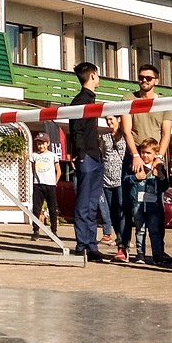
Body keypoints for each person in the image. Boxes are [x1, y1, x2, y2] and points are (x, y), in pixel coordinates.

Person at [120, 64, 172, 263]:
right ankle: (124, 247)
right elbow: (127, 130)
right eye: (141, 77)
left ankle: (159, 250)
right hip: (134, 156)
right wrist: (135, 155)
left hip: (156, 157)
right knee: (129, 205)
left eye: (148, 78)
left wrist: (159, 157)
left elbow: (166, 133)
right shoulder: (128, 99)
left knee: (156, 207)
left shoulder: (165, 103)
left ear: (156, 80)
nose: (144, 81)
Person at [67, 62, 104, 260]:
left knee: (92, 203)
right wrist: (80, 154)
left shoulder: (91, 99)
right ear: (92, 76)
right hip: (87, 157)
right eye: (97, 75)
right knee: (84, 203)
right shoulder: (80, 100)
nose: (99, 78)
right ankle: (82, 244)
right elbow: (76, 129)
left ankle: (92, 244)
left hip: (95, 155)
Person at [123, 137, 170, 265]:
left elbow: (165, 186)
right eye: (143, 152)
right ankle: (140, 254)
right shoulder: (136, 165)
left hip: (153, 205)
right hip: (137, 203)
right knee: (140, 229)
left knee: (154, 230)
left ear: (156, 153)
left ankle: (156, 255)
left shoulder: (159, 167)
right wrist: (135, 177)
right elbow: (126, 181)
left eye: (148, 153)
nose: (145, 155)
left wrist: (160, 176)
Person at [101, 114, 130, 262]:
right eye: (106, 119)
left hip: (121, 180)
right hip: (107, 180)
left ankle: (123, 246)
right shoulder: (104, 137)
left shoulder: (125, 135)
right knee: (112, 213)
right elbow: (103, 156)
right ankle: (119, 241)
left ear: (119, 119)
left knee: (122, 212)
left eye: (111, 118)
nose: (109, 121)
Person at [29, 134, 60, 241]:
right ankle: (36, 231)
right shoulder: (34, 156)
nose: (41, 146)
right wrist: (36, 179)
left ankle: (54, 231)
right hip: (38, 185)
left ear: (48, 144)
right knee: (36, 209)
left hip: (50, 185)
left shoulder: (53, 156)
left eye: (43, 143)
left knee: (52, 209)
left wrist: (55, 181)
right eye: (39, 144)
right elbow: (33, 170)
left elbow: (58, 170)